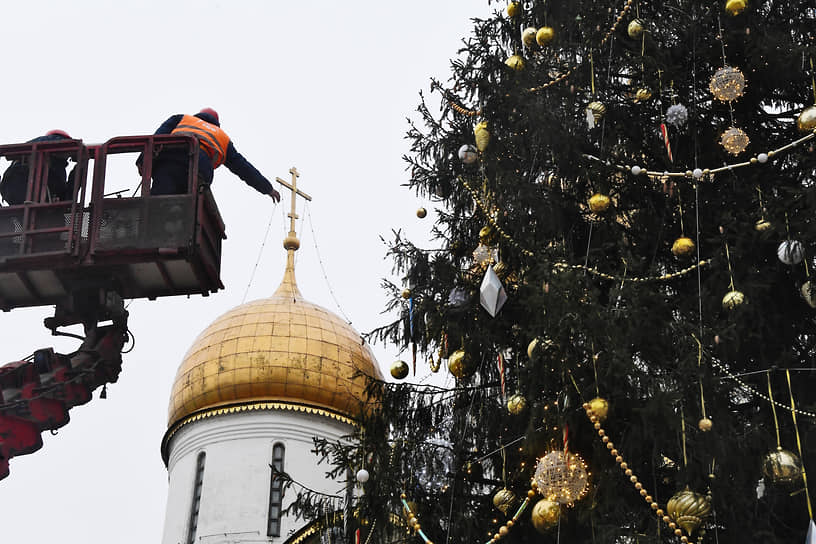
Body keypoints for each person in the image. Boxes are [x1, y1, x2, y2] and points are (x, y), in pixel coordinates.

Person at [139, 108, 281, 201]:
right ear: (217, 124)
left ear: (198, 115)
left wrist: (142, 161)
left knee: (157, 202)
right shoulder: (223, 138)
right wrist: (267, 188)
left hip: (168, 162)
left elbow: (156, 138)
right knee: (186, 207)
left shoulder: (182, 118)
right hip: (197, 170)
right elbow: (244, 168)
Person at [0, 130, 75, 205]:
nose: (67, 157)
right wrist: (76, 146)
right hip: (27, 188)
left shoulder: (55, 167)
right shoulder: (52, 140)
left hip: (11, 192)